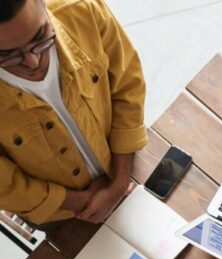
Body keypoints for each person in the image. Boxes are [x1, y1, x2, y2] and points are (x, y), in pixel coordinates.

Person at [0, 0, 147, 227]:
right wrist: (80, 202)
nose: (32, 61)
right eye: (8, 55)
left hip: (125, 165)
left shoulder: (81, 8)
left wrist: (118, 182)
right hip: (62, 214)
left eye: (40, 37)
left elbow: (127, 81)